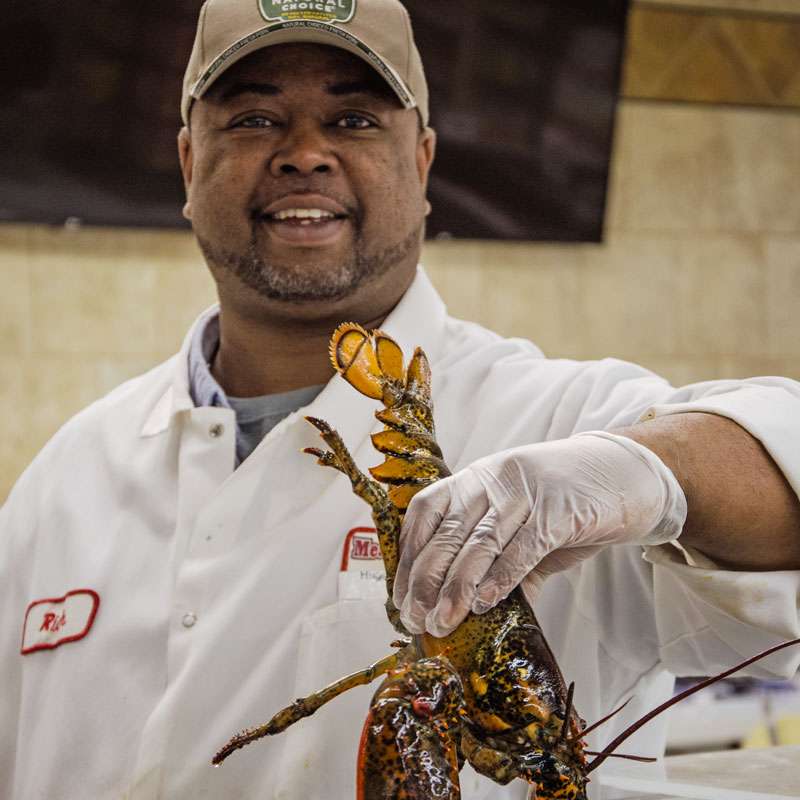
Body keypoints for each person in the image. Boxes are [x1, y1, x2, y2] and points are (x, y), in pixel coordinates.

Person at [1, 0, 799, 798]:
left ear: (422, 164)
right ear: (186, 164)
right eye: (252, 118)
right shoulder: (66, 473)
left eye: (353, 119)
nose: (304, 153)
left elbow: (779, 449)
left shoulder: (564, 418)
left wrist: (646, 473)